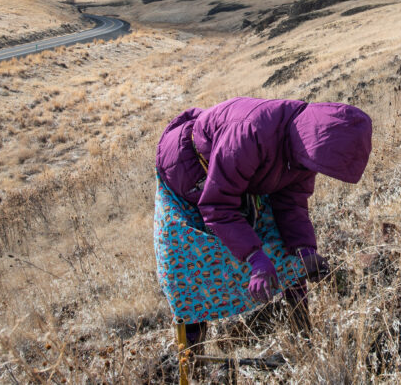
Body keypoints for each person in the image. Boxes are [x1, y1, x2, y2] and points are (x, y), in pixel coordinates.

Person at [153, 97, 372, 347]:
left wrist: (305, 250)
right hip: (187, 170)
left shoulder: (305, 146)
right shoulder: (249, 134)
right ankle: (192, 356)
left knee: (288, 256)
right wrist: (256, 259)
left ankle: (303, 339)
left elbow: (292, 204)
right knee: (193, 267)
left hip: (238, 176)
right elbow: (217, 205)